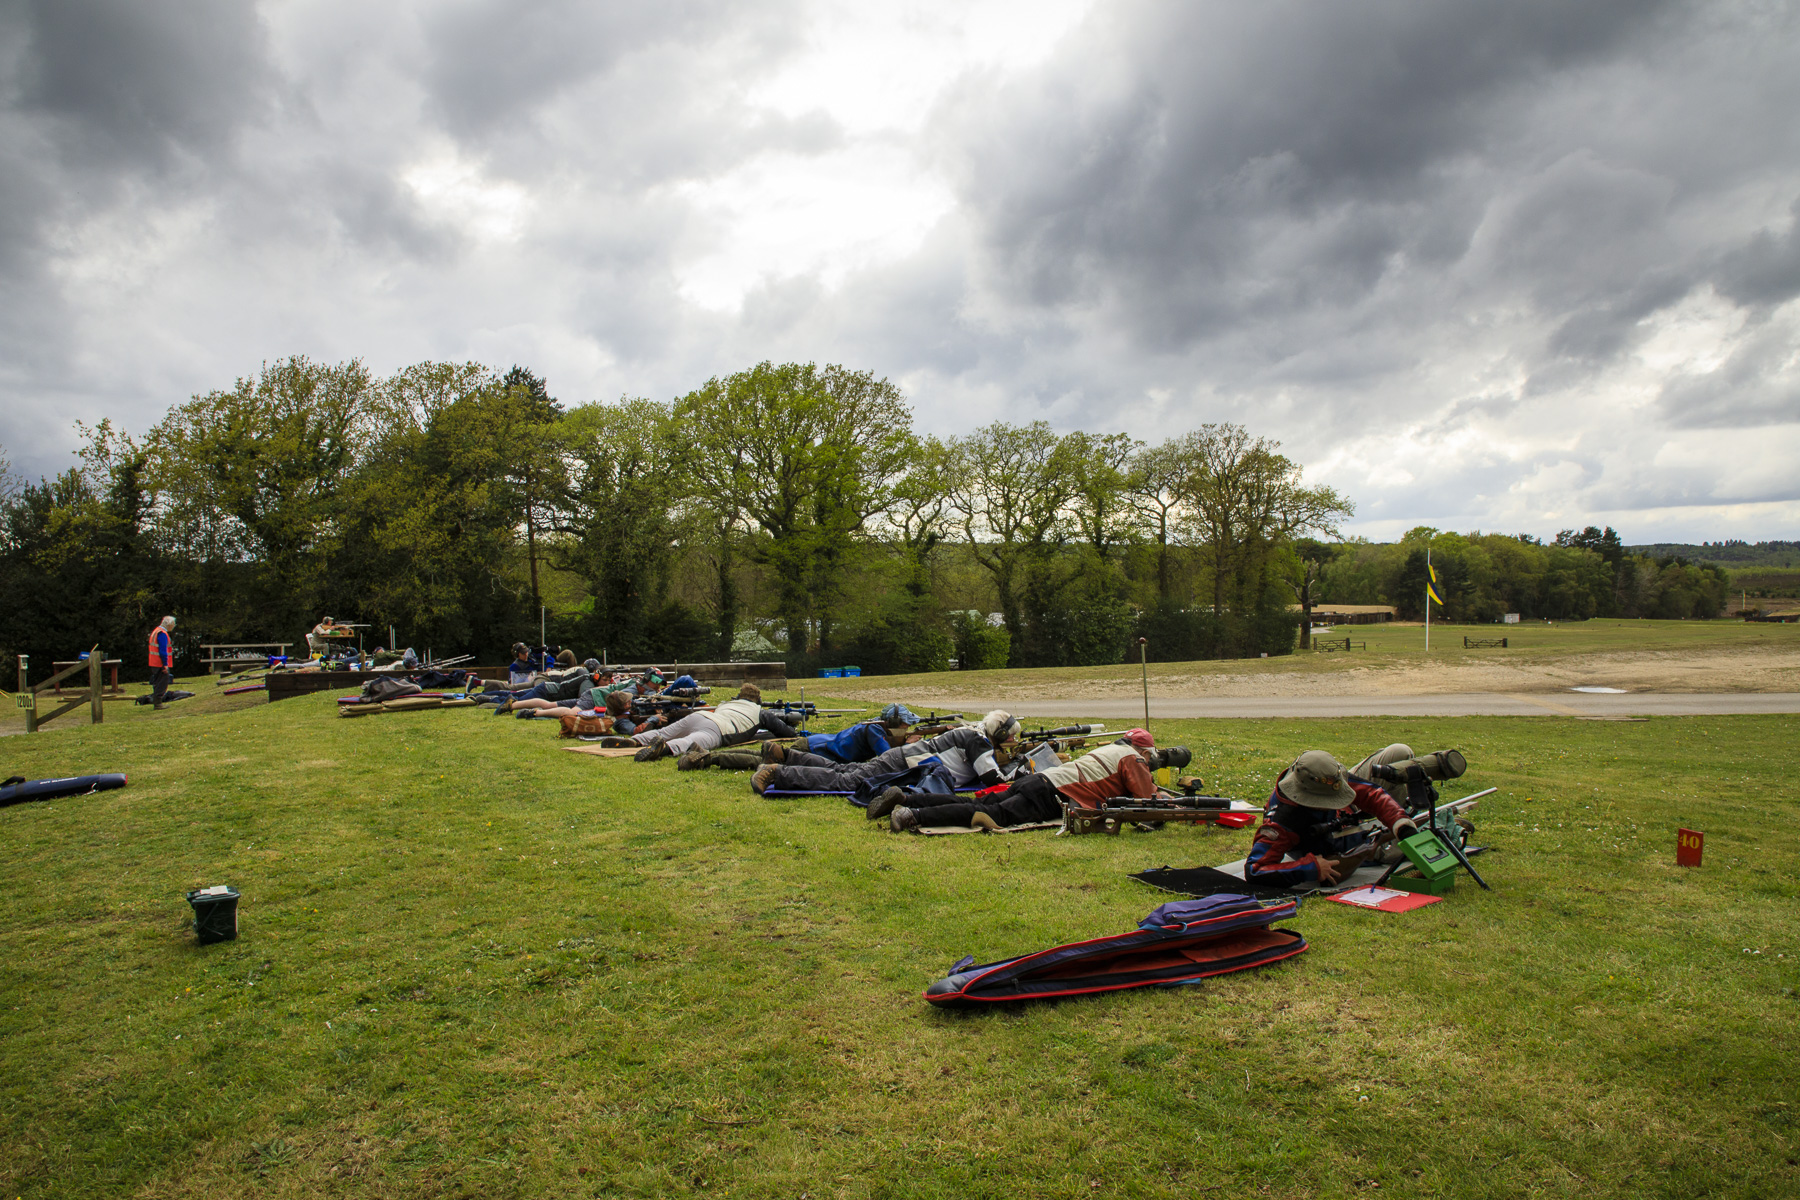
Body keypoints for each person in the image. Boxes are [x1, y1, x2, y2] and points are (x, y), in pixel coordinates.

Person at [875, 742, 1190, 831]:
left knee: (983, 805)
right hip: (1054, 794)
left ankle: (907, 799)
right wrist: (1164, 799)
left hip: (1041, 781)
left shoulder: (1110, 749)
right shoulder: (1133, 760)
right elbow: (1145, 804)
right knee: (993, 815)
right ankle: (913, 815)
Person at [1243, 750, 1419, 888]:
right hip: (1342, 844)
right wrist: (1311, 868)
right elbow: (1255, 870)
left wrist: (1400, 823)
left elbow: (1372, 794)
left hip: (1348, 822)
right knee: (1422, 844)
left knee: (1400, 752)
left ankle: (1407, 818)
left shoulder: (1322, 777)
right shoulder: (1282, 822)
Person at [748, 710, 1021, 795]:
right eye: (1009, 735)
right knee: (846, 782)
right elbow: (992, 779)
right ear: (997, 733)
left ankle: (787, 756)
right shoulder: (979, 742)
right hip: (903, 763)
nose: (1011, 739)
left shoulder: (974, 735)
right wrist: (1020, 772)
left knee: (845, 771)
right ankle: (777, 773)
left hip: (902, 759)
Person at [604, 684, 765, 761]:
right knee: (689, 741)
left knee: (664, 733)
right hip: (719, 729)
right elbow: (781, 728)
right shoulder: (759, 711)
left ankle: (634, 741)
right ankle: (664, 749)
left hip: (700, 716)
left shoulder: (726, 704)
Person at [147, 615, 176, 710]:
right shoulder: (162, 634)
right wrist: (165, 665)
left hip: (154, 662)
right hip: (160, 663)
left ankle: (156, 702)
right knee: (162, 683)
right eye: (173, 624)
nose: (174, 626)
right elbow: (163, 651)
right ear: (170, 624)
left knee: (157, 682)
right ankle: (158, 703)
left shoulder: (156, 631)